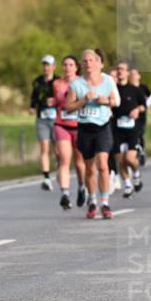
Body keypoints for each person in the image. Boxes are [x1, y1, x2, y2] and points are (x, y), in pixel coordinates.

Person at [66, 49, 119, 219]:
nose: (88, 64)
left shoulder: (108, 81)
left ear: (98, 63)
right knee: (89, 168)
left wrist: (106, 101)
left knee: (103, 165)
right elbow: (69, 107)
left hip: (103, 126)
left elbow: (116, 101)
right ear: (82, 64)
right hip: (85, 128)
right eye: (85, 61)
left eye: (91, 60)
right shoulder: (76, 84)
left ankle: (105, 203)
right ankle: (93, 201)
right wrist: (84, 100)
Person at [51, 55, 86, 210]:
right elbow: (56, 102)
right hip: (62, 124)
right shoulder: (57, 84)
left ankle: (82, 186)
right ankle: (65, 194)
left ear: (76, 67)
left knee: (79, 161)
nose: (67, 67)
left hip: (79, 125)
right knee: (65, 159)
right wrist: (51, 102)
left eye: (71, 64)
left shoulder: (83, 83)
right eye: (65, 64)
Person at [113, 61, 148, 198]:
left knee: (130, 159)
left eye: (122, 69)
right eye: (118, 69)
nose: (120, 71)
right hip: (117, 129)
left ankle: (137, 174)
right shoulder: (113, 89)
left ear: (127, 73)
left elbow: (143, 106)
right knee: (120, 160)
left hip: (131, 129)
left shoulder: (134, 90)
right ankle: (128, 184)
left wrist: (137, 110)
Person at [29, 55, 57, 191]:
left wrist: (55, 102)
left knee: (57, 149)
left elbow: (65, 98)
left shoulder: (59, 81)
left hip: (57, 119)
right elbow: (33, 98)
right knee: (44, 148)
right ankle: (46, 178)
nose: (46, 67)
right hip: (42, 119)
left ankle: (60, 168)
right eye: (44, 65)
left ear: (53, 67)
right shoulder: (38, 82)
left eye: (48, 65)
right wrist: (32, 107)